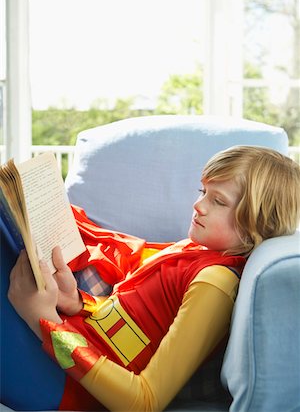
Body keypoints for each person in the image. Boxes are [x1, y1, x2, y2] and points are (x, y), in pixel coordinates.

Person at [7, 145, 300, 412]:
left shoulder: (215, 283)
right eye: (203, 192)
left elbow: (144, 401)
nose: (199, 205)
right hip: (65, 349)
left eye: (219, 201)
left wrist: (43, 320)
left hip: (67, 386)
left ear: (258, 222)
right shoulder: (197, 249)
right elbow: (131, 325)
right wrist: (76, 303)